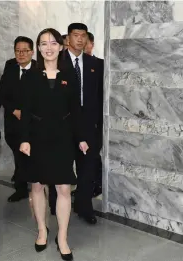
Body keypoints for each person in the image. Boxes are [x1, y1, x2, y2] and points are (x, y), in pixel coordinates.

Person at [19, 28, 88, 261]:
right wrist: (24, 139)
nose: (48, 48)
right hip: (37, 139)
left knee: (64, 188)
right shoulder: (30, 76)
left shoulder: (70, 75)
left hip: (62, 138)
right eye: (43, 44)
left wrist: (81, 138)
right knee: (37, 186)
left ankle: (63, 238)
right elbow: (25, 111)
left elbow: (76, 111)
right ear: (38, 49)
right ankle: (41, 230)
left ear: (61, 46)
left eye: (52, 43)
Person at [64, 23, 103, 225]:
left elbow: (100, 96)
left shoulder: (94, 64)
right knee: (61, 168)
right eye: (75, 35)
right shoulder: (57, 62)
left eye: (83, 36)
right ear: (68, 38)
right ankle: (57, 206)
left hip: (89, 126)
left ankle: (84, 206)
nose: (80, 39)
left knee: (87, 169)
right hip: (63, 126)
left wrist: (100, 127)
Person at [0, 36, 35, 202]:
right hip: (13, 119)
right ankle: (22, 185)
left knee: (28, 154)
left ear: (32, 52)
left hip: (33, 120)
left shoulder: (40, 68)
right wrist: (8, 108)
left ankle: (24, 184)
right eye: (18, 50)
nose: (21, 54)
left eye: (25, 50)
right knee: (17, 152)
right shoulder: (10, 65)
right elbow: (3, 89)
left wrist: (25, 112)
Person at [84, 31, 104, 198]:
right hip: (79, 119)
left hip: (97, 119)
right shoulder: (72, 65)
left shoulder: (101, 64)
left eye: (86, 44)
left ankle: (98, 184)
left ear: (92, 44)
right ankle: (85, 186)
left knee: (94, 154)